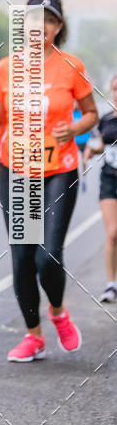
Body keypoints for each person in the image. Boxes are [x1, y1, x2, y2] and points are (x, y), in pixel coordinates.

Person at [0, 0, 98, 362]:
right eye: (34, 19)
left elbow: (92, 114)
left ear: (59, 26)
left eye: (49, 20)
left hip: (59, 170)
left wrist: (75, 129)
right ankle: (34, 337)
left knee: (48, 256)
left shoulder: (72, 67)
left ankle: (59, 312)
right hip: (17, 170)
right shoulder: (5, 68)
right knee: (22, 260)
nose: (40, 26)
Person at [83, 74, 117, 303]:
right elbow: (102, 145)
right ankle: (111, 284)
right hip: (109, 178)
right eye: (115, 89)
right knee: (113, 233)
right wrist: (91, 151)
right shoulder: (106, 120)